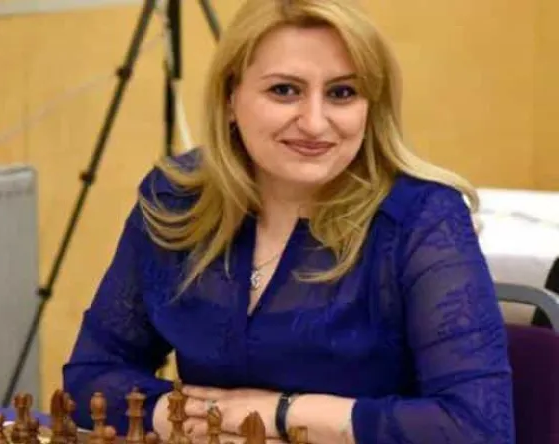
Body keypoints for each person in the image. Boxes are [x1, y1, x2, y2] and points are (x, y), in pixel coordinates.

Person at [62, 0, 515, 443]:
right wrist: (195, 420)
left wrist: (280, 414)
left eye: (342, 93)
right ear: (230, 98)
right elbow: (90, 375)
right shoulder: (177, 199)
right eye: (284, 90)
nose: (314, 123)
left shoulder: (423, 219)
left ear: (371, 106)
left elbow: (478, 428)